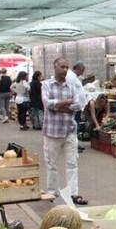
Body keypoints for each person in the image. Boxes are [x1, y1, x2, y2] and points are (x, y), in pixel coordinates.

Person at [43, 58, 87, 204]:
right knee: (52, 164)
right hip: (52, 131)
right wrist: (67, 103)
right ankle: (52, 192)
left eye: (66, 67)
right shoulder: (47, 85)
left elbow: (78, 105)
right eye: (62, 66)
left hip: (69, 129)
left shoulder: (71, 86)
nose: (64, 69)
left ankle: (74, 193)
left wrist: (60, 106)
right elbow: (47, 104)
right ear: (55, 67)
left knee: (72, 163)